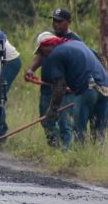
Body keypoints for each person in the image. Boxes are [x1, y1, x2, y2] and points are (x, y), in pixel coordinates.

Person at [35, 31, 108, 144]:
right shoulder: (77, 44)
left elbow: (59, 86)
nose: (43, 56)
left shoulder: (54, 54)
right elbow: (101, 59)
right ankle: (98, 159)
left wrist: (53, 109)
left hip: (87, 88)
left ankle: (78, 158)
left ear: (47, 45)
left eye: (41, 52)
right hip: (106, 87)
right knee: (99, 132)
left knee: (78, 130)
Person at [25, 8, 78, 148]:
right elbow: (41, 55)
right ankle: (54, 147)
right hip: (47, 86)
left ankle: (66, 151)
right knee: (46, 120)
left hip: (65, 90)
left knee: (65, 123)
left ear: (68, 22)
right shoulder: (48, 37)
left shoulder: (75, 41)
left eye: (59, 21)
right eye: (54, 20)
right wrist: (31, 69)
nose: (56, 24)